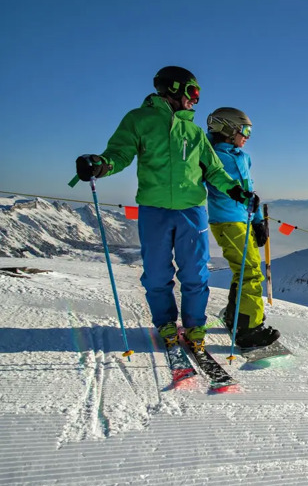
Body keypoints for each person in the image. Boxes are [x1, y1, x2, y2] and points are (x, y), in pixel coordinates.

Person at [74, 66, 256, 352]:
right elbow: (119, 154)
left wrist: (238, 192)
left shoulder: (194, 132)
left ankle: (195, 324)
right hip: (154, 210)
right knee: (157, 273)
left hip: (191, 211)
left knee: (195, 273)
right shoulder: (139, 120)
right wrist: (101, 164)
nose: (195, 100)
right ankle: (166, 322)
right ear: (174, 89)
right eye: (192, 92)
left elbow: (215, 171)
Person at [205, 107, 280, 349]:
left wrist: (258, 220)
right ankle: (248, 330)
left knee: (244, 271)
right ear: (227, 128)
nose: (248, 136)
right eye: (245, 130)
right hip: (227, 219)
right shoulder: (214, 156)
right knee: (250, 273)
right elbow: (226, 187)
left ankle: (236, 316)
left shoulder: (241, 157)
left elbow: (250, 192)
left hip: (243, 219)